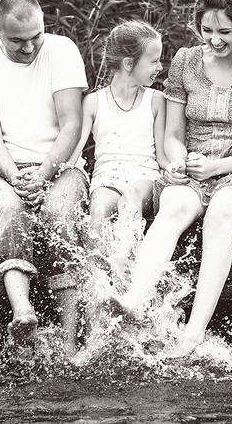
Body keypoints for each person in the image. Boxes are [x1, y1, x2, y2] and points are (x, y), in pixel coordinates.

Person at [111, 0, 232, 357]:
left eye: (224, 31)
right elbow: (173, 135)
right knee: (174, 205)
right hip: (195, 167)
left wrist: (217, 167)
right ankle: (134, 299)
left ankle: (192, 333)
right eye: (207, 30)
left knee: (221, 215)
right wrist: (178, 161)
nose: (214, 39)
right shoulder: (186, 61)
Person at [0, 0, 89, 354]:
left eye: (37, 36)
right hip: (4, 172)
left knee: (59, 213)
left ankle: (69, 340)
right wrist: (15, 176)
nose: (30, 47)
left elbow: (72, 125)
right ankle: (23, 312)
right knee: (9, 210)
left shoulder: (62, 50)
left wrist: (44, 174)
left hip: (62, 169)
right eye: (18, 40)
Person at [70, 20, 169, 278]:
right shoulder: (93, 102)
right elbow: (76, 150)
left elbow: (161, 156)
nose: (160, 67)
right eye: (154, 61)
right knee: (99, 208)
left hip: (144, 178)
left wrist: (175, 168)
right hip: (107, 179)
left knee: (131, 197)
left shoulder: (156, 100)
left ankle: (124, 263)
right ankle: (100, 277)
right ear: (128, 64)